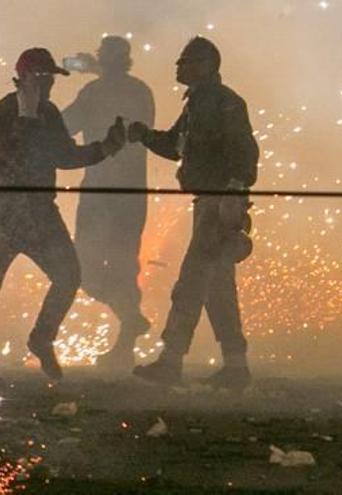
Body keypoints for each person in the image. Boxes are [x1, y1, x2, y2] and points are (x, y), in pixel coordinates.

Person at [128, 37, 258, 390]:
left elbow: (245, 151)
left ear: (205, 65)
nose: (178, 67)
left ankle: (171, 361)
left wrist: (234, 192)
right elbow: (175, 146)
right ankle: (235, 366)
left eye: (185, 61)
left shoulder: (225, 103)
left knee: (191, 282)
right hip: (209, 202)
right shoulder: (198, 105)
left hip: (217, 204)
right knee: (217, 289)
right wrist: (143, 136)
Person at [0, 48, 126, 380]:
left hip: (41, 215)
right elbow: (10, 154)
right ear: (23, 78)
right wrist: (25, 117)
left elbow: (64, 156)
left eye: (51, 78)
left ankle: (42, 338)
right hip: (4, 217)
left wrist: (105, 148)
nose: (49, 84)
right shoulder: (5, 111)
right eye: (42, 78)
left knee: (69, 275)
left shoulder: (50, 113)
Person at [63, 36, 156, 369]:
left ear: (102, 61)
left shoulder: (95, 92)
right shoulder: (141, 91)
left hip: (101, 193)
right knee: (124, 267)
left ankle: (128, 317)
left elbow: (63, 127)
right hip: (131, 195)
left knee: (83, 269)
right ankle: (126, 336)